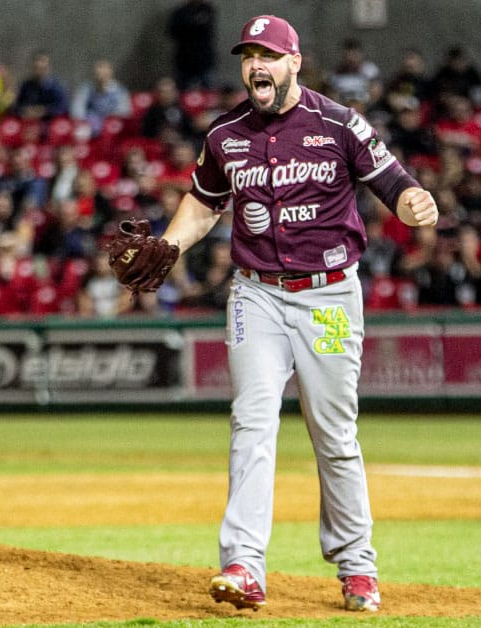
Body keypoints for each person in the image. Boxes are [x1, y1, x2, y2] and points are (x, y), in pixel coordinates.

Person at [122, 14, 438, 613]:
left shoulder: (339, 123)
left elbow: (395, 183)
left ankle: (357, 567)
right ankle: (243, 565)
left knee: (335, 434)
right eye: (247, 56)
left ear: (295, 61)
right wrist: (168, 244)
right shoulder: (226, 136)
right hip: (256, 294)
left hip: (330, 296)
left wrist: (414, 203)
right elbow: (204, 201)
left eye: (267, 54)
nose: (255, 66)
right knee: (252, 421)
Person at [167, 0, 217, 90]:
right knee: (181, 91)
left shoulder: (206, 10)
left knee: (208, 92)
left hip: (203, 59)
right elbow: (172, 32)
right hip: (183, 60)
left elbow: (206, 28)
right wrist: (194, 23)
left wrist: (187, 26)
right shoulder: (180, 12)